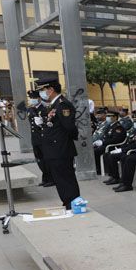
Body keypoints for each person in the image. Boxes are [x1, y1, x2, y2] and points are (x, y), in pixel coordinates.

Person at [35, 79, 80, 209]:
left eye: (43, 90)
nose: (43, 93)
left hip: (61, 149)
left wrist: (63, 143)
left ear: (51, 89)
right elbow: (55, 125)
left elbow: (69, 127)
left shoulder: (63, 104)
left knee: (66, 177)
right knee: (60, 178)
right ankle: (68, 202)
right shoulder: (54, 105)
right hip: (54, 149)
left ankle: (73, 203)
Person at [103, 116, 136, 186]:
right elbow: (128, 142)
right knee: (108, 154)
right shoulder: (134, 131)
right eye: (135, 122)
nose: (135, 123)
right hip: (128, 149)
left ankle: (121, 179)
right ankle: (113, 176)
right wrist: (120, 148)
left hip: (133, 151)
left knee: (117, 157)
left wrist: (122, 150)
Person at [26, 90, 54, 187]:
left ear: (39, 98)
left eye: (34, 98)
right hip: (35, 138)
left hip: (44, 138)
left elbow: (50, 123)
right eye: (31, 98)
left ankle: (51, 179)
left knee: (46, 159)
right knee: (39, 159)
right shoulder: (30, 110)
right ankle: (45, 178)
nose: (32, 100)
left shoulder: (45, 109)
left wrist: (43, 123)